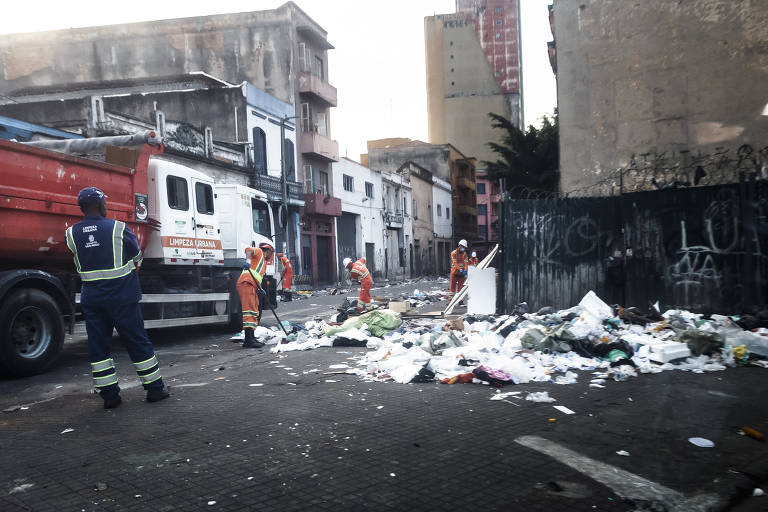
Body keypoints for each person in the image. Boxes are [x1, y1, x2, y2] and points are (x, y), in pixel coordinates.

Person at [65, 187, 169, 409]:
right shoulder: (118, 228)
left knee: (98, 347)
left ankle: (110, 397)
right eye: (104, 202)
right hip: (122, 298)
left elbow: (79, 262)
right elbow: (137, 258)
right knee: (137, 341)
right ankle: (154, 390)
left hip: (92, 299)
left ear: (82, 207)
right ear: (101, 204)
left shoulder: (71, 234)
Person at [237, 242, 274, 348]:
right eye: (271, 253)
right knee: (249, 311)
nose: (270, 255)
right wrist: (247, 261)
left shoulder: (262, 263)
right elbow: (248, 250)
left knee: (254, 311)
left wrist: (261, 289)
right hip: (246, 283)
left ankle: (251, 338)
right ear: (267, 251)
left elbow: (256, 276)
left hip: (252, 285)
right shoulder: (259, 252)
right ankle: (248, 340)